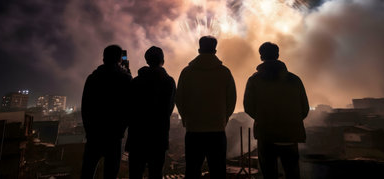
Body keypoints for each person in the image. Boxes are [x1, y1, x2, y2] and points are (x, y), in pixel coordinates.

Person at [243, 42, 309, 179]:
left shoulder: (254, 80)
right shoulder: (294, 79)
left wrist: (263, 118)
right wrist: (291, 121)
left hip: (266, 135)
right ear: (278, 55)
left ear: (261, 57)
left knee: (269, 174)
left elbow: (248, 107)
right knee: (292, 174)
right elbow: (304, 109)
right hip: (290, 135)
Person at [176, 36, 237, 179]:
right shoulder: (224, 72)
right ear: (215, 50)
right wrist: (223, 118)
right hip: (217, 130)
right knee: (218, 170)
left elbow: (179, 99)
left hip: (194, 130)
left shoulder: (187, 72)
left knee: (192, 170)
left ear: (199, 49)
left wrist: (186, 118)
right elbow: (231, 100)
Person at [81, 45, 132, 179]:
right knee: (111, 174)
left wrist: (89, 131)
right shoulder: (125, 79)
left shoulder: (92, 78)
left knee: (87, 172)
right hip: (114, 136)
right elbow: (129, 107)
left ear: (103, 58)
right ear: (120, 59)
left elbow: (85, 108)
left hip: (94, 134)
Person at [126, 46, 176, 179]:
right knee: (156, 173)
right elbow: (168, 109)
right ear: (163, 61)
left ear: (146, 61)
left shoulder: (135, 82)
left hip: (137, 136)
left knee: (135, 174)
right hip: (158, 136)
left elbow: (129, 108)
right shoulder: (169, 82)